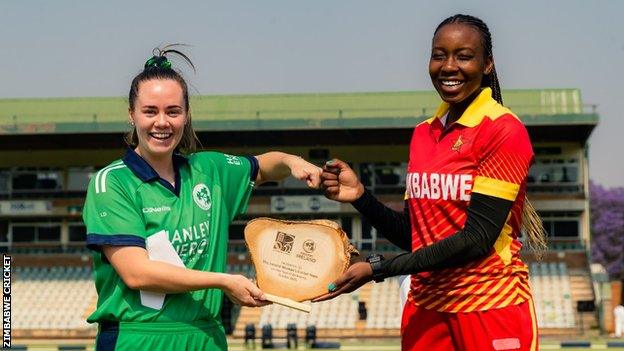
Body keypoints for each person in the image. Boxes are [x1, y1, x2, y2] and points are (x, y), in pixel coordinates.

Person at [314, 14, 546, 351]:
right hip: (426, 311)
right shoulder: (424, 133)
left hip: (489, 306)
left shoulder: (503, 130)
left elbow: (476, 240)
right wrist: (360, 197)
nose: (449, 66)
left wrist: (378, 268)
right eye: (439, 55)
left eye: (464, 56)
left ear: (487, 65)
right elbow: (414, 236)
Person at [82, 46, 322, 351]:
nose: (162, 122)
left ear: (185, 116)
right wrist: (222, 281)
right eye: (150, 111)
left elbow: (264, 165)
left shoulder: (209, 170)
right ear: (132, 115)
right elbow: (137, 273)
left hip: (206, 336)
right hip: (138, 337)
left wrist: (291, 162)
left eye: (173, 111)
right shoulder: (112, 182)